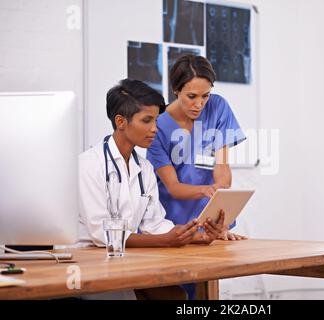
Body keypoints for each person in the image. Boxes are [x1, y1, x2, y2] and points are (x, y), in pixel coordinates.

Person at [78, 79, 225, 300]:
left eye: (156, 120)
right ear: (121, 122)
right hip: (88, 262)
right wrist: (166, 240)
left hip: (126, 260)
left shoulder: (144, 167)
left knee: (176, 297)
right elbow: (102, 234)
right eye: (147, 120)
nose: (155, 128)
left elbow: (155, 224)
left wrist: (197, 236)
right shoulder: (89, 164)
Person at [146, 54, 247, 241]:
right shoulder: (156, 126)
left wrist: (221, 197)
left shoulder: (218, 107)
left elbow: (222, 166)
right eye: (191, 96)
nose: (199, 104)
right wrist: (206, 190)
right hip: (174, 227)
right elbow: (173, 187)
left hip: (210, 226)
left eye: (205, 95)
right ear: (176, 90)